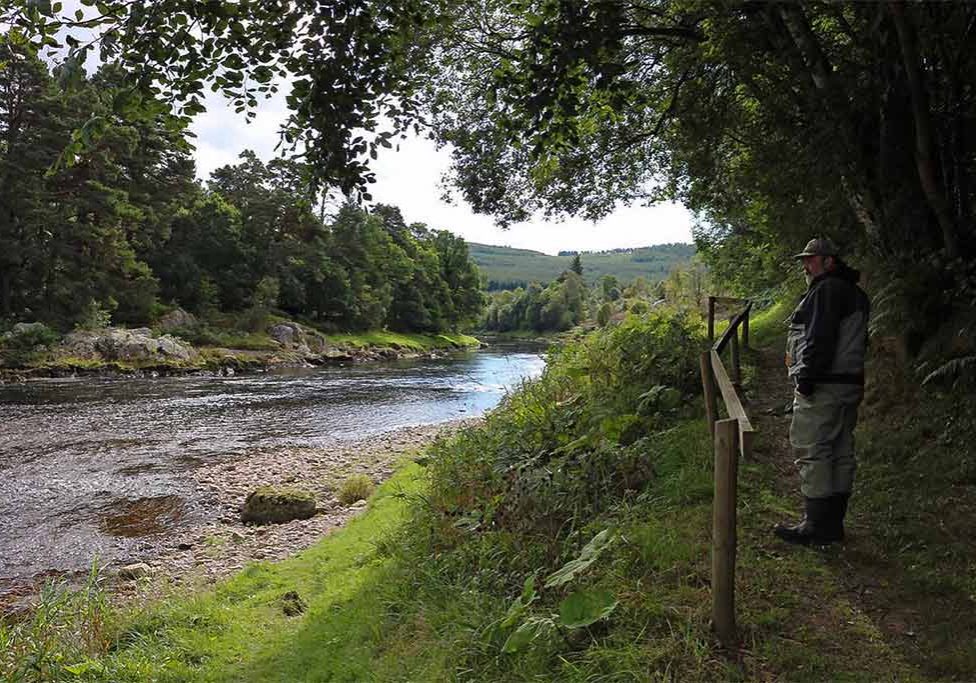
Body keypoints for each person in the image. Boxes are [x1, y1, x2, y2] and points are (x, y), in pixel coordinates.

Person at [775, 237, 870, 545]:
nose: (806, 264)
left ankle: (815, 526)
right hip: (848, 384)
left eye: (812, 259)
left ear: (830, 261)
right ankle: (833, 525)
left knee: (811, 449)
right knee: (840, 450)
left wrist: (806, 380)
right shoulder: (856, 293)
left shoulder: (827, 290)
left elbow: (821, 339)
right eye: (805, 259)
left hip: (825, 385)